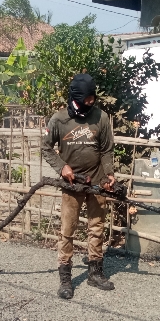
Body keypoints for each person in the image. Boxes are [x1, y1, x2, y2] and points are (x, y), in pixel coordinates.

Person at [41, 74, 117, 299]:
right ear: (77, 97)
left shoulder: (101, 118)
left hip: (97, 182)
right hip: (72, 185)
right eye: (88, 98)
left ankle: (95, 273)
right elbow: (46, 148)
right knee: (68, 231)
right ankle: (65, 279)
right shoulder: (59, 120)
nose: (92, 102)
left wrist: (109, 173)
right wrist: (62, 167)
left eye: (93, 97)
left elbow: (106, 150)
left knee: (96, 227)